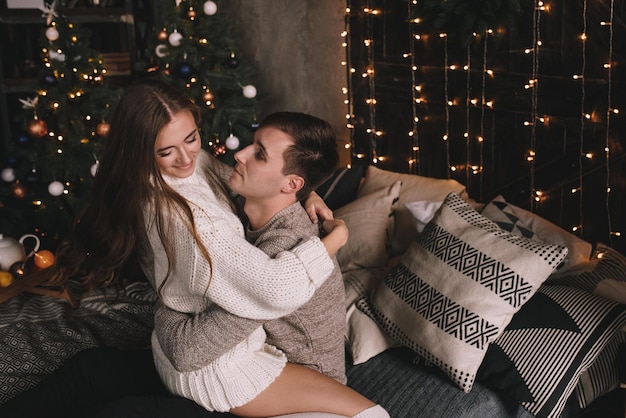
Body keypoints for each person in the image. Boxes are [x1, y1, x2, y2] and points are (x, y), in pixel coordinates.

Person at [0, 78, 387, 418]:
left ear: (291, 183)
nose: (189, 158)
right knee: (93, 376)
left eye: (191, 139)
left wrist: (318, 209)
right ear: (143, 153)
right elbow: (195, 340)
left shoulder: (249, 220)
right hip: (224, 367)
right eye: (166, 151)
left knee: (109, 395)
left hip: (279, 375)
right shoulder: (196, 211)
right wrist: (334, 235)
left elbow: (256, 299)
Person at [155, 111, 350, 391]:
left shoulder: (283, 253)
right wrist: (309, 192)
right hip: (257, 361)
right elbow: (202, 167)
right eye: (252, 143)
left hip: (305, 383)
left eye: (259, 154)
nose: (239, 154)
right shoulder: (250, 201)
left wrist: (163, 300)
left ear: (291, 184)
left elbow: (187, 352)